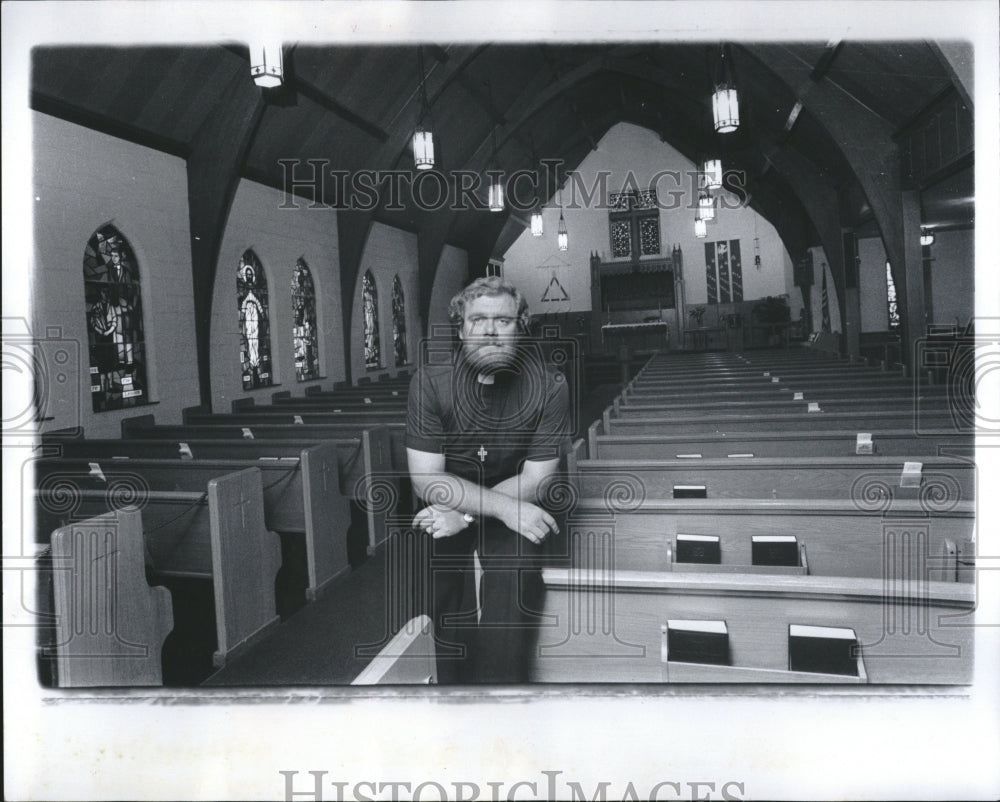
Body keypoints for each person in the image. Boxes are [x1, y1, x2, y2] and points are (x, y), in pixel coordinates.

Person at [405, 276, 571, 683]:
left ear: (522, 326)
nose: (490, 332)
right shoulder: (430, 382)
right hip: (450, 501)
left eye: (503, 321)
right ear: (461, 329)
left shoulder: (549, 385)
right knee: (435, 569)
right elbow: (427, 479)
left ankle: (500, 697)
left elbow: (536, 480)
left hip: (515, 501)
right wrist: (461, 516)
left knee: (516, 570)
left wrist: (467, 517)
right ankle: (451, 691)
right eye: (477, 320)